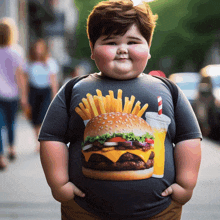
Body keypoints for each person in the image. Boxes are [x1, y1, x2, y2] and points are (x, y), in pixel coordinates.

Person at [39, 0, 202, 219]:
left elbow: (188, 138)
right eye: (111, 42)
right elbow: (52, 138)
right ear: (93, 50)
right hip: (84, 210)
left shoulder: (169, 90)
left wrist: (186, 184)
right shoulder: (73, 89)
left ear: (149, 48)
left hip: (159, 210)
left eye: (133, 41)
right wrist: (59, 184)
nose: (123, 49)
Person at [0, 22, 27, 170]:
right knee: (11, 123)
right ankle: (11, 148)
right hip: (12, 94)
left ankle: (1, 156)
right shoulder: (17, 51)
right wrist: (23, 96)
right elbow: (20, 76)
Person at [24, 39, 59, 151]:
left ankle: (43, 141)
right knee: (35, 118)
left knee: (43, 116)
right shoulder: (29, 63)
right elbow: (25, 81)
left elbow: (53, 81)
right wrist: (25, 96)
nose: (38, 50)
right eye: (36, 48)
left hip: (46, 91)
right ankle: (37, 141)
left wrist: (55, 96)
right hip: (34, 91)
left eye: (40, 48)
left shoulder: (50, 62)